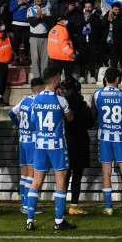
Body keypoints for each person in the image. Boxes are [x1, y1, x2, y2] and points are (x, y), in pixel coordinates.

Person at [25, 66, 76, 231]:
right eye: (59, 77)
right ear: (55, 79)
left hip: (40, 145)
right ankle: (59, 221)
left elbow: (33, 121)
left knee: (36, 181)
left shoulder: (36, 99)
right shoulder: (61, 100)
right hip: (57, 145)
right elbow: (70, 118)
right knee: (60, 180)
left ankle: (29, 220)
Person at [92, 67, 122, 215]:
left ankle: (109, 208)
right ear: (118, 79)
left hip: (104, 138)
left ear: (105, 79)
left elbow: (95, 111)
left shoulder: (97, 94)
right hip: (120, 137)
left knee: (106, 172)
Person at [9, 78, 42, 215]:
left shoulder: (25, 101)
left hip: (22, 140)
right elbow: (34, 119)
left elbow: (11, 113)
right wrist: (35, 128)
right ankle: (28, 206)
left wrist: (19, 127)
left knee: (24, 174)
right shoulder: (36, 101)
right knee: (31, 175)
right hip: (32, 142)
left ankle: (23, 204)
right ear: (39, 90)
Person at [63, 77, 95, 216]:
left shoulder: (62, 103)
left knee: (64, 176)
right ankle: (74, 205)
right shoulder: (82, 105)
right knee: (77, 175)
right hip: (80, 142)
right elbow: (90, 123)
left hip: (65, 142)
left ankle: (60, 205)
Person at [48, 14, 75, 82]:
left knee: (57, 76)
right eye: (65, 20)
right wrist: (70, 53)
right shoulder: (63, 29)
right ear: (62, 20)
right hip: (64, 56)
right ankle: (68, 89)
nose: (67, 21)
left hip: (55, 56)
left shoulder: (53, 29)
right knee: (68, 77)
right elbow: (63, 44)